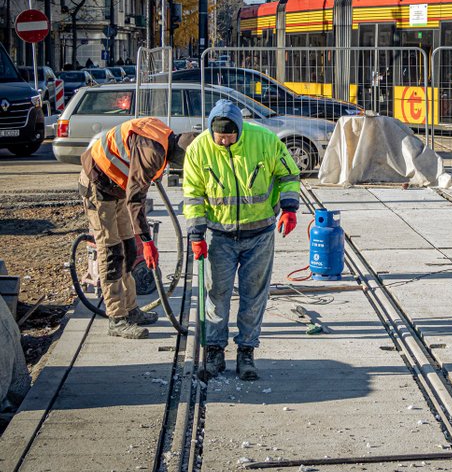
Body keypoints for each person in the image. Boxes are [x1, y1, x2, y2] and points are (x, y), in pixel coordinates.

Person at [182, 100, 301, 380]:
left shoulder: (265, 141)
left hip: (259, 234)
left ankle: (246, 351)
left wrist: (289, 208)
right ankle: (214, 350)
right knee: (216, 295)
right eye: (219, 136)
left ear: (240, 130)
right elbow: (193, 194)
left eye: (229, 135)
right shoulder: (199, 149)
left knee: (253, 296)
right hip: (219, 236)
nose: (224, 141)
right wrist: (196, 234)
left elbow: (289, 174)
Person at [80, 118, 196, 339]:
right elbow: (135, 199)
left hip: (117, 186)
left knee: (128, 249)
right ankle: (117, 318)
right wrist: (148, 241)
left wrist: (140, 241)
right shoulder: (153, 152)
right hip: (97, 183)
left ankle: (130, 309)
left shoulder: (165, 137)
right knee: (112, 252)